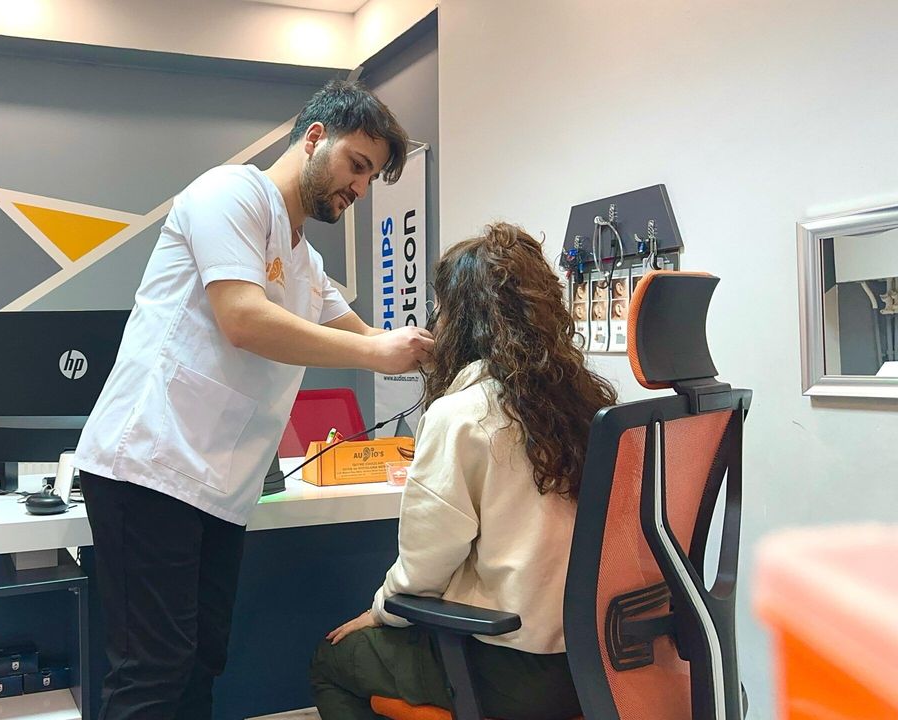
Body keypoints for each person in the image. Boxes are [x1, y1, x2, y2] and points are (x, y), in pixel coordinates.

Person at [72, 79, 433, 720]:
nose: (359, 187)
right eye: (357, 165)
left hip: (219, 488)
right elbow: (244, 318)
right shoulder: (230, 193)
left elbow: (369, 338)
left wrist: (436, 352)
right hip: (150, 467)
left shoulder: (306, 263)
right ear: (315, 137)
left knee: (201, 661)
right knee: (153, 671)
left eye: (370, 177)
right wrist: (377, 354)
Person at [309, 223, 617, 720]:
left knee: (334, 660)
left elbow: (422, 573)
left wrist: (380, 611)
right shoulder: (589, 406)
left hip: (511, 669)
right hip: (601, 667)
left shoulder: (463, 415)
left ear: (459, 320)